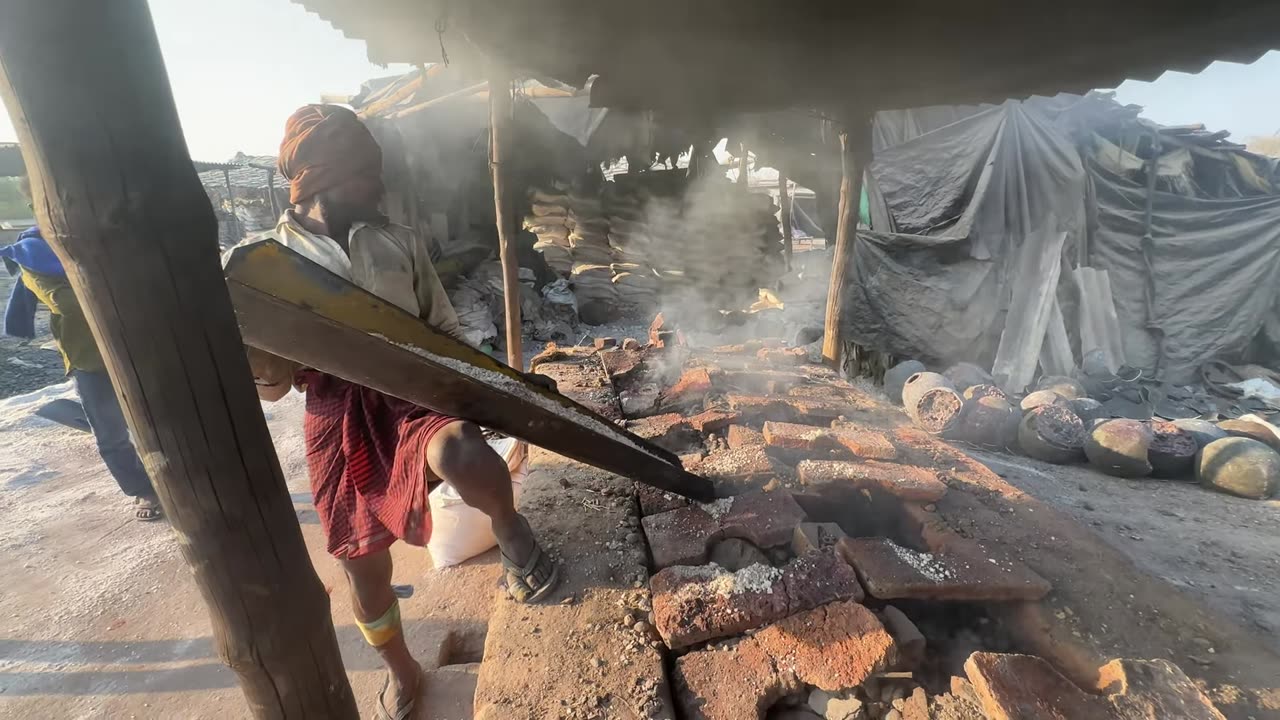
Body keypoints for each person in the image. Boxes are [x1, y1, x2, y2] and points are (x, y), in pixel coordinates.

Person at [237, 104, 559, 719]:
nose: (380, 186)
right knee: (361, 565)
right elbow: (274, 387)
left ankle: (512, 530)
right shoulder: (267, 264)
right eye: (367, 173)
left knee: (465, 451)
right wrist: (251, 352)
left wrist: (488, 388)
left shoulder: (400, 243)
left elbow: (442, 328)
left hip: (413, 393)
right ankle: (402, 670)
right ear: (321, 177)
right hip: (335, 413)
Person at [1, 178, 162, 521]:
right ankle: (142, 489)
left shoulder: (115, 236)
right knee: (112, 433)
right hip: (90, 356)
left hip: (143, 345)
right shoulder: (33, 254)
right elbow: (71, 303)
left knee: (165, 420)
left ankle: (181, 479)